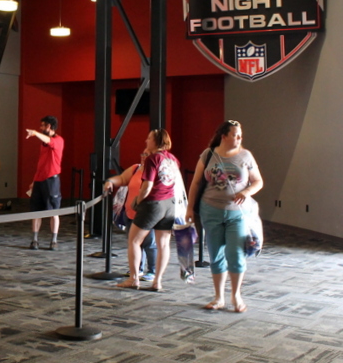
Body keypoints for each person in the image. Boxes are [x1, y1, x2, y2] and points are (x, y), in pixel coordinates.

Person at [186, 120, 264, 313]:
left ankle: (236, 295)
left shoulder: (246, 156)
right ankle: (218, 297)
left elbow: (258, 181)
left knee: (236, 254)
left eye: (240, 136)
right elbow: (196, 183)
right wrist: (189, 208)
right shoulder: (208, 155)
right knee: (216, 254)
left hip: (237, 213)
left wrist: (246, 192)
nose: (239, 138)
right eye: (235, 135)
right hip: (210, 211)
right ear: (224, 136)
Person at [115, 129, 180, 291]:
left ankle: (133, 278)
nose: (146, 141)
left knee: (134, 241)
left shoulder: (153, 159)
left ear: (156, 141)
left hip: (153, 204)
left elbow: (147, 186)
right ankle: (157, 281)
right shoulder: (172, 159)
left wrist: (137, 201)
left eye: (149, 138)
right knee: (163, 244)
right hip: (169, 204)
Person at [102, 150, 157, 283]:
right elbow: (122, 179)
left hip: (148, 214)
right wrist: (110, 181)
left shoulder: (157, 171)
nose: (143, 157)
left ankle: (152, 271)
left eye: (147, 154)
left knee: (149, 244)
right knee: (134, 243)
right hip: (131, 213)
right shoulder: (135, 169)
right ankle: (138, 268)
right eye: (142, 154)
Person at [26, 115, 64, 250]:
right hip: (39, 180)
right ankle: (35, 240)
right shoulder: (43, 143)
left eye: (42, 126)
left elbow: (49, 140)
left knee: (54, 211)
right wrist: (34, 180)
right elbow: (41, 163)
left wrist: (35, 133)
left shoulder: (58, 140)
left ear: (49, 126)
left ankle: (54, 241)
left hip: (52, 180)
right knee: (36, 211)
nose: (40, 128)